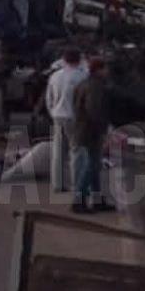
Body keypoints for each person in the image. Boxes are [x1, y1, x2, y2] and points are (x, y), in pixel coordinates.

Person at [70, 58, 116, 214]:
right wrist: (104, 129)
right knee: (92, 166)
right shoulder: (96, 87)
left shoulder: (83, 84)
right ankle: (79, 199)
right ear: (99, 70)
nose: (107, 71)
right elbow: (94, 110)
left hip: (82, 129)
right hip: (91, 131)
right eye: (105, 68)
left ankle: (96, 200)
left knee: (94, 166)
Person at [44, 48, 88, 192]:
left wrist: (52, 112)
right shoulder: (83, 76)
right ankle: (77, 184)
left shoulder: (55, 76)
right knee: (77, 151)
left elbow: (49, 98)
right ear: (79, 60)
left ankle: (58, 184)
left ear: (64, 60)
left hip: (58, 116)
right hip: (75, 117)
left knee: (58, 151)